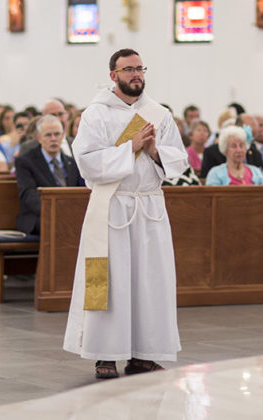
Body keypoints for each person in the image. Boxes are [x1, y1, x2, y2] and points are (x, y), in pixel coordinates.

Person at [63, 48, 188, 379]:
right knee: (113, 281)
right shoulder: (96, 114)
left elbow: (180, 160)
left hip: (149, 207)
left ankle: (144, 354)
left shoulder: (159, 114)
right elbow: (87, 161)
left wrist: (153, 150)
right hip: (112, 205)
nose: (136, 74)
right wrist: (130, 147)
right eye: (128, 69)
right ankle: (105, 354)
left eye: (140, 68)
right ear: (113, 75)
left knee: (150, 281)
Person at [15, 115, 84, 236]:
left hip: (69, 214)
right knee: (59, 224)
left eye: (57, 134)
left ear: (63, 136)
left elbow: (81, 191)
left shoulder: (72, 162)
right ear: (39, 138)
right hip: (39, 216)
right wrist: (57, 212)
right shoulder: (25, 161)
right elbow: (28, 195)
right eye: (48, 135)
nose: (53, 139)